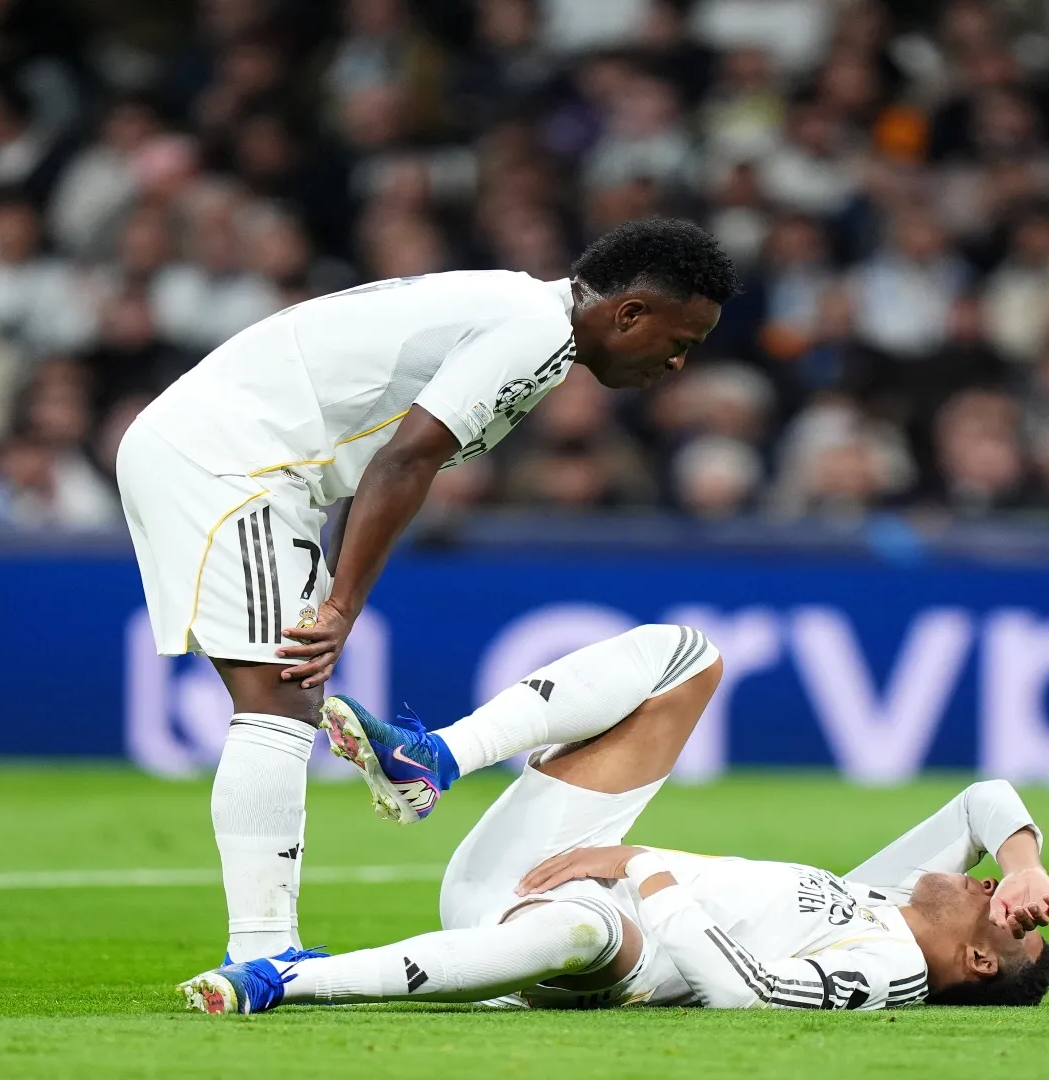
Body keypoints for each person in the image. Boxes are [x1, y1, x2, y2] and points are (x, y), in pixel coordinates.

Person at [116, 218, 736, 965]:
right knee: (280, 697)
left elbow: (379, 448)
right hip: (230, 459)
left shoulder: (527, 316)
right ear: (628, 312)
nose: (675, 363)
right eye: (681, 341)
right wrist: (341, 606)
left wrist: (335, 586)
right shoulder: (532, 330)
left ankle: (267, 947)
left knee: (287, 693)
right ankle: (262, 952)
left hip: (255, 465)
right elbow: (405, 462)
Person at [176, 623, 1049, 1014]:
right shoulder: (881, 904)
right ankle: (434, 758)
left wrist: (643, 868)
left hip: (596, 938)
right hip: (546, 876)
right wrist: (1023, 863)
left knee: (591, 931)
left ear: (979, 961)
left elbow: (747, 995)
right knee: (686, 658)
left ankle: (285, 979)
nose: (995, 890)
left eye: (1008, 920)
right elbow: (984, 800)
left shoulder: (889, 972)